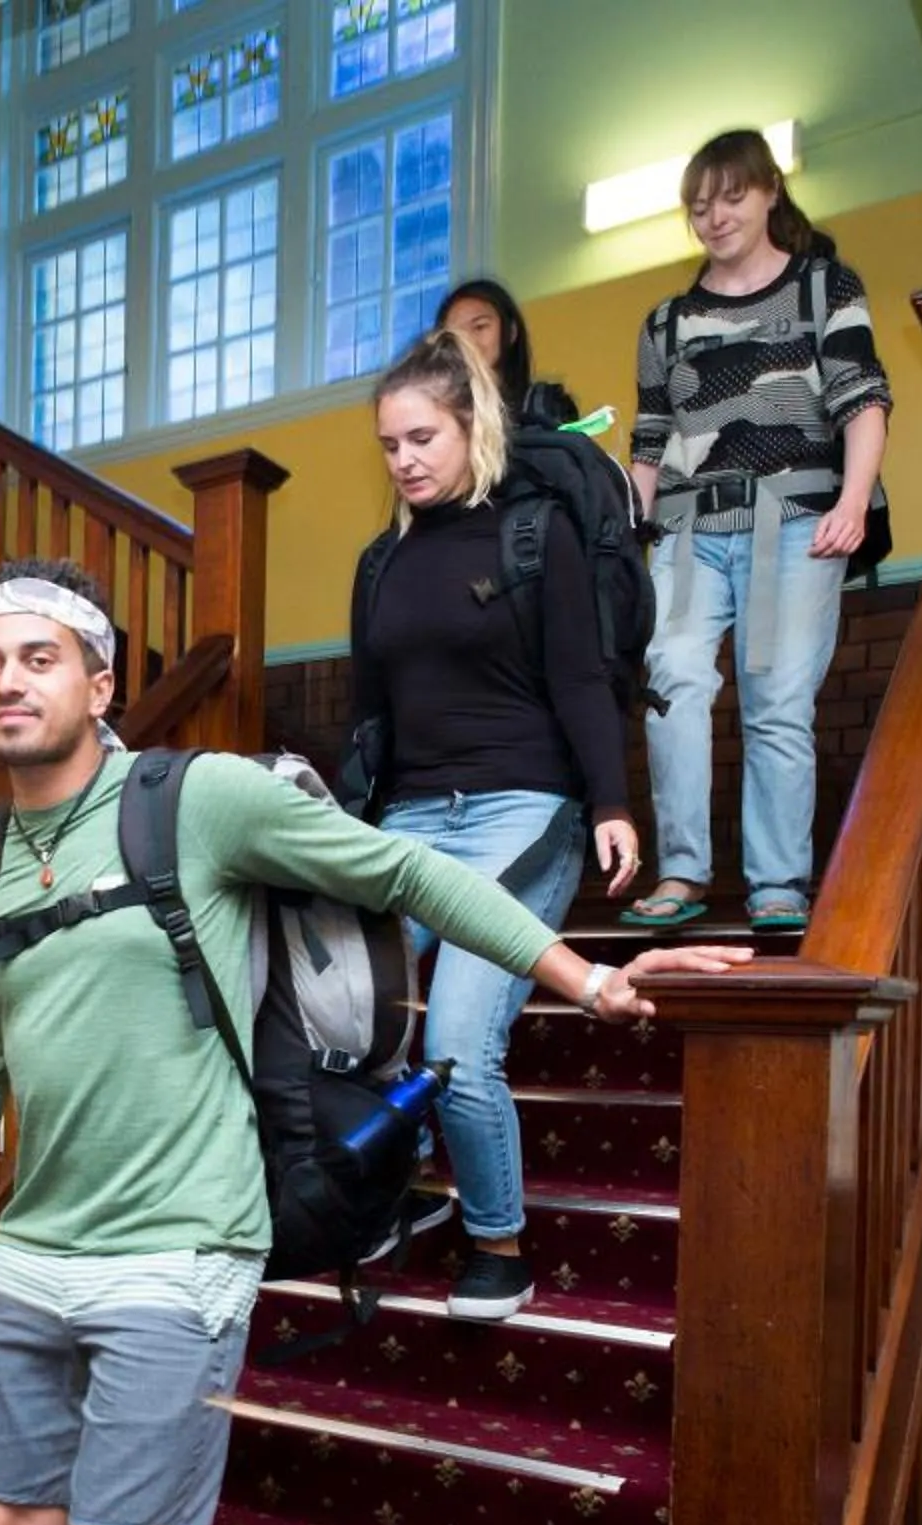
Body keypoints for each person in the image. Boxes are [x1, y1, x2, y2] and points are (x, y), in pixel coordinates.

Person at [0, 557, 743, 1525]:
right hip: (37, 1256)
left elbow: (403, 868)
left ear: (99, 686)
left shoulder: (196, 803)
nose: (9, 682)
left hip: (184, 1243)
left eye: (39, 658)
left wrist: (586, 975)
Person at [355, 330, 635, 1320]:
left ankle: (498, 1243)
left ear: (471, 426)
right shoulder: (381, 563)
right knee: (351, 1025)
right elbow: (371, 714)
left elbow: (580, 676)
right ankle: (392, 1189)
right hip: (410, 822)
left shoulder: (535, 533)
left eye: (424, 437)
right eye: (390, 445)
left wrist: (609, 803)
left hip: (525, 807)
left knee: (463, 1045)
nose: (407, 460)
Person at [623, 127, 892, 932]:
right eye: (700, 206)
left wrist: (853, 500)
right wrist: (626, 537)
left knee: (775, 697)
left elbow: (863, 399)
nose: (716, 217)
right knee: (671, 682)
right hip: (687, 525)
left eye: (732, 196)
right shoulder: (667, 322)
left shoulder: (823, 288)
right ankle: (681, 873)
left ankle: (778, 883)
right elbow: (648, 437)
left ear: (771, 191)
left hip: (792, 519)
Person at [436, 279, 581, 429]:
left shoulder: (545, 405)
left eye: (479, 327)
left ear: (511, 332)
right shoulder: (437, 411)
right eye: (455, 334)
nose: (467, 341)